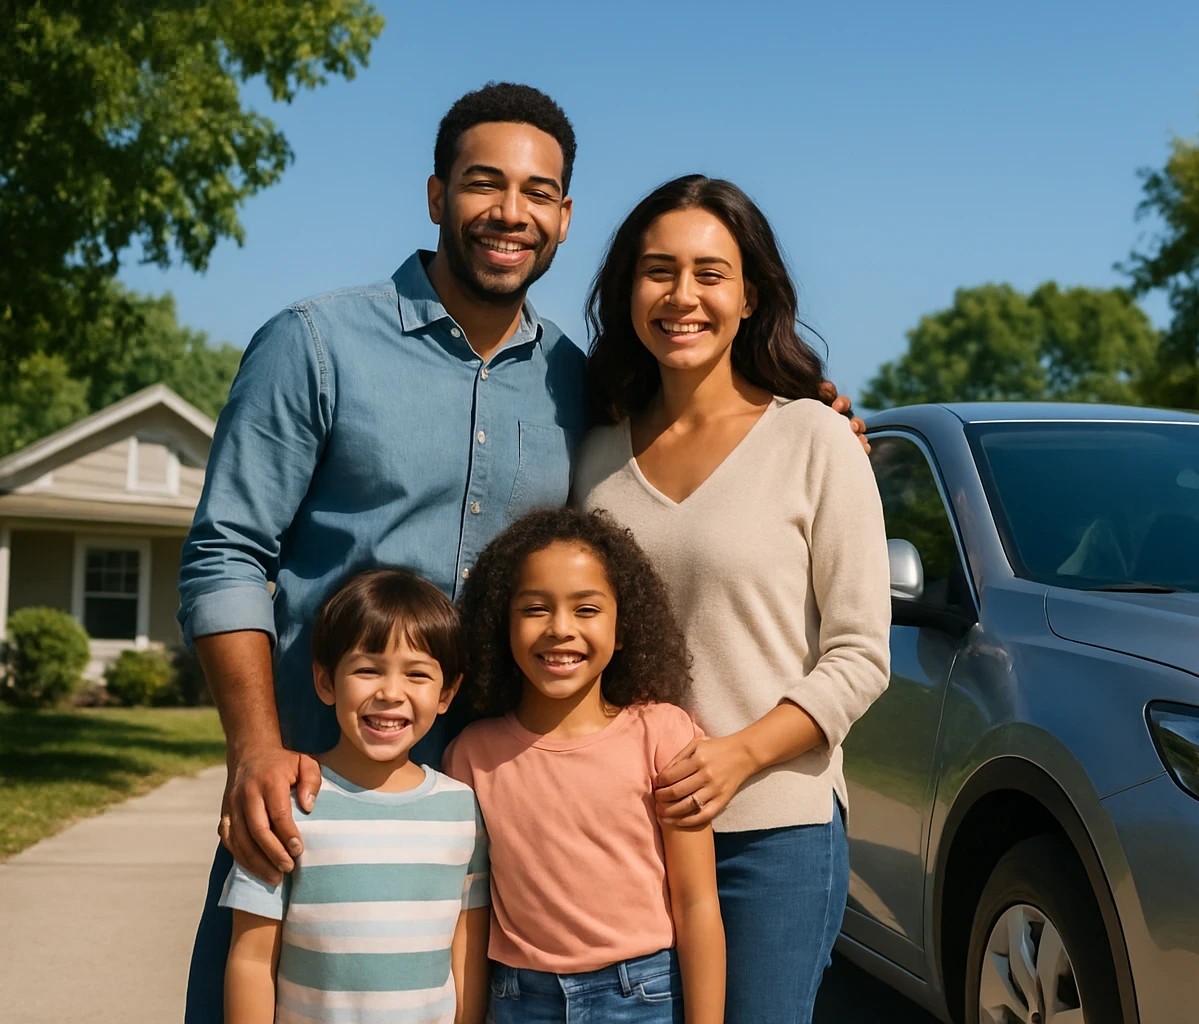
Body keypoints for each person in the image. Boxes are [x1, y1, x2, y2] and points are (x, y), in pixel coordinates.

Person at [179, 80, 860, 1022]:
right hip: (314, 791)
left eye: (538, 193)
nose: (510, 213)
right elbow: (224, 553)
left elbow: (702, 433)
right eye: (483, 184)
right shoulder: (317, 345)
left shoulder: (578, 390)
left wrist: (808, 407)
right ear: (434, 195)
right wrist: (254, 748)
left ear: (566, 216)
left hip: (506, 815)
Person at [573, 175, 892, 1023]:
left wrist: (739, 755)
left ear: (751, 296)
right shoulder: (592, 451)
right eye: (658, 271)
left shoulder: (816, 438)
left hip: (772, 833)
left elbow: (861, 655)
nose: (683, 296)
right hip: (618, 831)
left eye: (711, 274)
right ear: (627, 291)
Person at [444, 508, 725, 1024]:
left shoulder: (663, 735)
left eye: (587, 609)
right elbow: (471, 915)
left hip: (644, 997)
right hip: (517, 1001)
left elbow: (698, 902)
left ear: (623, 628)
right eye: (534, 609)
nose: (560, 629)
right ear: (500, 625)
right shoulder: (469, 756)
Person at [220, 569, 490, 1024]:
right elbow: (250, 959)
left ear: (447, 693)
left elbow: (467, 947)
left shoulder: (462, 808)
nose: (390, 693)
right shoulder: (286, 804)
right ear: (325, 681)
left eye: (417, 675)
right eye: (367, 670)